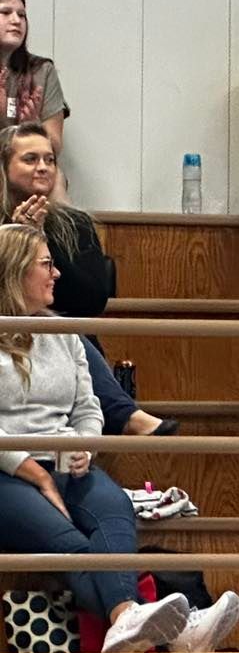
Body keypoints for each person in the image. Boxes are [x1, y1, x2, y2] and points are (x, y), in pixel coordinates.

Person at [0, 225, 239, 653]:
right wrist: (29, 469)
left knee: (113, 507)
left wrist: (85, 444)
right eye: (47, 264)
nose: (56, 274)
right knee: (70, 541)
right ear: (16, 271)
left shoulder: (64, 332)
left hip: (64, 461)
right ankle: (174, 634)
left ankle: (129, 619)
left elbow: (88, 407)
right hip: (8, 471)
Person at [1, 123, 175, 439]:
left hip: (60, 339)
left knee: (67, 328)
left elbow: (93, 299)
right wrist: (19, 241)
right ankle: (125, 415)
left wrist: (43, 239)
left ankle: (126, 417)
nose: (42, 167)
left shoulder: (75, 223)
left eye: (49, 159)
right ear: (4, 166)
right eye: (30, 159)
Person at [0, 0, 69, 200]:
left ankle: (65, 234)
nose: (16, 20)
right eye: (5, 12)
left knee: (55, 177)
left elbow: (54, 145)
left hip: (27, 164)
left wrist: (32, 129)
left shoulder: (42, 71)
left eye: (22, 15)